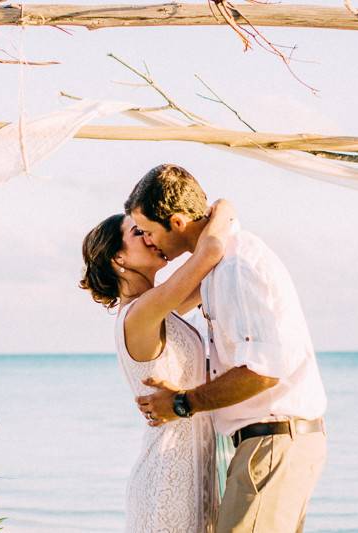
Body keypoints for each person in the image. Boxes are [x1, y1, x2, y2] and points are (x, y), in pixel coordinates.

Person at [126, 164, 328, 533]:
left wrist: (183, 403)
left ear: (176, 222)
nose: (148, 240)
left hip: (274, 441)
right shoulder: (221, 263)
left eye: (149, 231)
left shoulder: (237, 267)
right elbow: (173, 302)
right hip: (270, 443)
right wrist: (221, 215)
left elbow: (264, 370)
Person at [79, 199, 236, 532]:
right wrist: (222, 208)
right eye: (139, 233)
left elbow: (208, 262)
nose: (151, 238)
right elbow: (208, 254)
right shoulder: (140, 314)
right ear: (118, 257)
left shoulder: (162, 307)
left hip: (194, 475)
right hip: (168, 481)